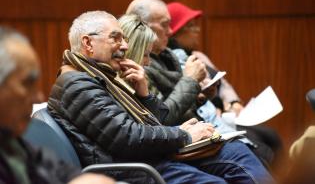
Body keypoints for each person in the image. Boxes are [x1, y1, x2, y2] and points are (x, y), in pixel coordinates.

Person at [47, 10, 273, 184]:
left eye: (124, 39)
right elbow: (128, 138)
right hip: (134, 168)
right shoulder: (78, 84)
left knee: (237, 152)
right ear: (88, 43)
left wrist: (143, 93)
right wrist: (184, 135)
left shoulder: (100, 75)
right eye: (115, 38)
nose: (124, 46)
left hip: (149, 157)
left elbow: (157, 121)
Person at [167, 1, 284, 170]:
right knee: (261, 149)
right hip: (208, 119)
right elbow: (179, 98)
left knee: (271, 136)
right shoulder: (173, 63)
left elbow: (224, 84)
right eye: (191, 27)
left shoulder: (199, 56)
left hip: (227, 114)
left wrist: (233, 102)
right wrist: (208, 105)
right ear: (176, 32)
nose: (197, 30)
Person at [0, 26, 116, 184]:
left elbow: (58, 170)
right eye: (27, 84)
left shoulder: (12, 143)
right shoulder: (79, 84)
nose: (38, 97)